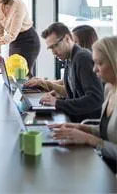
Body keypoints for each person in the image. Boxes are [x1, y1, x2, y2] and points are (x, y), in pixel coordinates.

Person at [50, 36, 117, 173]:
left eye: (100, 63)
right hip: (106, 167)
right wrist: (80, 127)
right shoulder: (110, 90)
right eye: (94, 63)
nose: (94, 70)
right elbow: (109, 132)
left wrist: (90, 139)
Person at [36, 22, 104, 122]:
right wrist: (59, 99)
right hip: (75, 119)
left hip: (86, 123)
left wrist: (58, 103)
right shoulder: (70, 58)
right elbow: (77, 96)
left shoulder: (82, 58)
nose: (53, 52)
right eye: (50, 48)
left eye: (55, 46)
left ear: (67, 38)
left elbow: (95, 99)